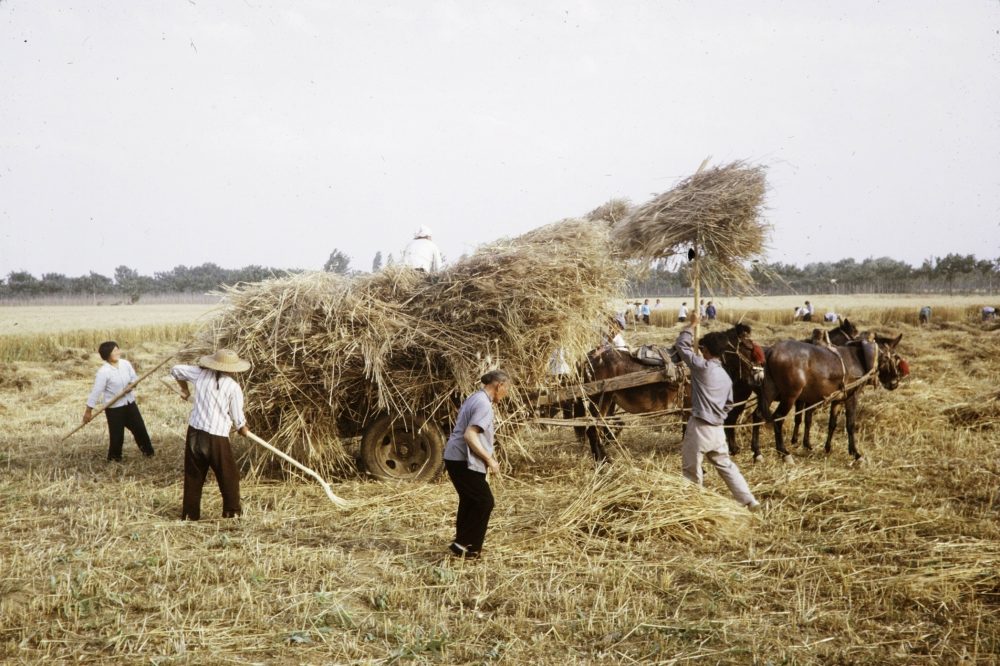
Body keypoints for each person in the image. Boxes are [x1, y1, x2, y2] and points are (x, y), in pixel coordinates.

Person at [674, 313, 759, 511]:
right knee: (727, 467)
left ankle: (694, 507)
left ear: (706, 350)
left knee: (691, 470)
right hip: (718, 429)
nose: (701, 350)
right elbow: (729, 405)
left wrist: (692, 325)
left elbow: (681, 346)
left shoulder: (701, 367)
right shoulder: (725, 377)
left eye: (703, 348)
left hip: (700, 427)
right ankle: (750, 501)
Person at [171, 349, 251, 521]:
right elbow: (238, 419)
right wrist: (242, 428)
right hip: (216, 437)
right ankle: (232, 513)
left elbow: (176, 370)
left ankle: (189, 515)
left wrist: (184, 390)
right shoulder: (233, 387)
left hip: (195, 432)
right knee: (228, 476)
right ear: (232, 369)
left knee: (194, 476)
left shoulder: (200, 374)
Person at [443, 369, 510, 559]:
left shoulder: (476, 398)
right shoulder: (484, 405)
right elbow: (470, 435)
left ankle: (465, 546)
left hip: (455, 457)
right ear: (498, 386)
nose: (506, 394)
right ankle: (466, 545)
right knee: (484, 501)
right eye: (506, 389)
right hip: (461, 459)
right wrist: (489, 459)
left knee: (470, 500)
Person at [83, 341, 155, 461]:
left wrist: (131, 386)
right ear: (107, 355)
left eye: (118, 349)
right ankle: (114, 459)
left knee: (140, 429)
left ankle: (149, 453)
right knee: (117, 436)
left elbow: (134, 379)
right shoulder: (103, 372)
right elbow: (96, 392)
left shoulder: (125, 364)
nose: (118, 352)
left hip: (129, 404)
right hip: (114, 408)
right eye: (114, 351)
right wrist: (88, 410)